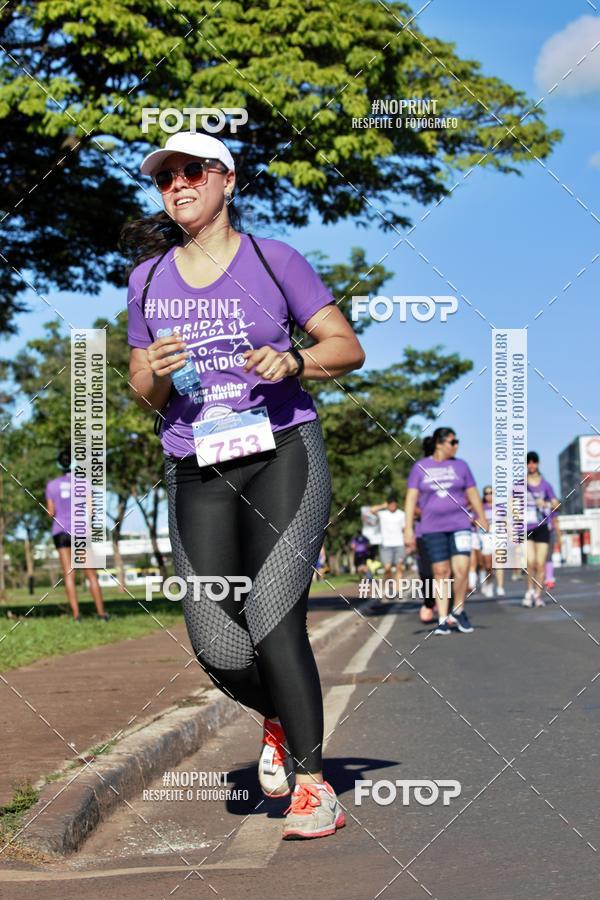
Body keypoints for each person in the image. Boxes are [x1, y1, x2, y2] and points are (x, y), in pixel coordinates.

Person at [123, 132, 365, 840]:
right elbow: (142, 388)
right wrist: (159, 369)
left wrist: (293, 361)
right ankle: (281, 720)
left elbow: (345, 348)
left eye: (191, 171)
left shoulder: (273, 259)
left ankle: (315, 787)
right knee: (217, 644)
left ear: (227, 180)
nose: (176, 185)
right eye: (164, 177)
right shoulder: (148, 279)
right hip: (197, 463)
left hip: (282, 450)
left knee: (271, 616)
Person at [404, 427, 489, 635]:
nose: (456, 445)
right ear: (439, 443)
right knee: (441, 572)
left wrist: (482, 517)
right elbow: (411, 499)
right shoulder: (420, 468)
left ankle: (458, 609)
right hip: (432, 528)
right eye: (453, 442)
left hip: (460, 524)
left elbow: (473, 493)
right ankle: (443, 618)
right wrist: (408, 529)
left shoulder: (461, 467)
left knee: (461, 570)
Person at [44, 450, 108, 622]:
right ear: (73, 463)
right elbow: (92, 510)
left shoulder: (51, 485)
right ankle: (102, 614)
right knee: (91, 575)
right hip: (81, 532)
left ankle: (76, 615)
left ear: (59, 465)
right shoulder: (84, 483)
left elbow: (51, 513)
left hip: (60, 533)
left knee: (68, 573)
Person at [523, 451, 560, 608]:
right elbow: (511, 503)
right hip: (526, 527)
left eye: (534, 462)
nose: (531, 465)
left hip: (543, 527)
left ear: (538, 464)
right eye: (528, 462)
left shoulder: (545, 484)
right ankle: (530, 590)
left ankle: (538, 595)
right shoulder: (520, 484)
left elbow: (555, 503)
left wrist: (546, 504)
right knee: (530, 562)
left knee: (540, 563)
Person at [369, 494, 406, 598]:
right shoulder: (383, 514)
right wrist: (383, 505)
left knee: (399, 567)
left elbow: (404, 529)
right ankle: (389, 586)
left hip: (399, 544)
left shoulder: (401, 514)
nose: (392, 506)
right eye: (390, 504)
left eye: (394, 504)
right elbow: (371, 510)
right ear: (388, 504)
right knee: (387, 568)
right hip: (386, 545)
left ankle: (397, 590)